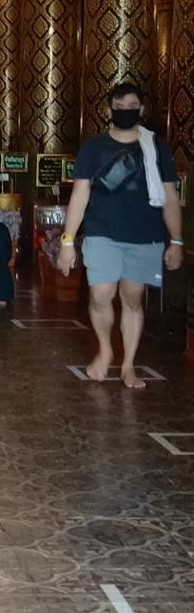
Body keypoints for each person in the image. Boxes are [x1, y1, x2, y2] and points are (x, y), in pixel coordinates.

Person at [58, 79, 183, 389]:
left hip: (144, 235)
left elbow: (170, 197)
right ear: (109, 110)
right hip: (102, 232)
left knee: (132, 298)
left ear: (142, 109)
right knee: (101, 295)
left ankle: (128, 364)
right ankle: (105, 349)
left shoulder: (156, 148)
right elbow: (80, 196)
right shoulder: (94, 147)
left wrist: (177, 240)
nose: (126, 111)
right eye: (119, 106)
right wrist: (68, 241)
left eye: (132, 106)